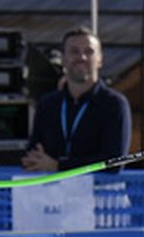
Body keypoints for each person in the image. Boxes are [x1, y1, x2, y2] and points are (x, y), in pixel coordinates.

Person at [22, 26, 132, 172]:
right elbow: (33, 153)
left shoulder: (114, 104)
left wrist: (59, 166)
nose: (82, 57)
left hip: (99, 192)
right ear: (64, 59)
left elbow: (114, 162)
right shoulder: (47, 104)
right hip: (54, 192)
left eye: (89, 51)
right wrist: (34, 160)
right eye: (74, 51)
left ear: (100, 60)